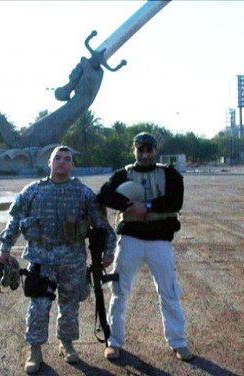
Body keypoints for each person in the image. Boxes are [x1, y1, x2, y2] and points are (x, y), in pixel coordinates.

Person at [0, 145, 116, 374]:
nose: (62, 162)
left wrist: (109, 252)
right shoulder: (32, 191)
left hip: (73, 260)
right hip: (41, 259)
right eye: (57, 158)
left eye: (67, 159)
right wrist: (4, 249)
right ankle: (35, 349)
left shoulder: (83, 193)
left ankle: (66, 343)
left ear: (73, 165)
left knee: (69, 305)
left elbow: (102, 226)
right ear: (49, 163)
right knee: (39, 305)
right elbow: (14, 222)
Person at [97, 132, 194, 362]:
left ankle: (178, 341)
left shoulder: (169, 174)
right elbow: (104, 194)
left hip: (160, 240)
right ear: (134, 150)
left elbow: (175, 201)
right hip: (130, 239)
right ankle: (114, 341)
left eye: (149, 150)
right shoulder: (123, 174)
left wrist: (147, 206)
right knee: (120, 292)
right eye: (140, 150)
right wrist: (129, 205)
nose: (144, 154)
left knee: (169, 291)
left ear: (155, 151)